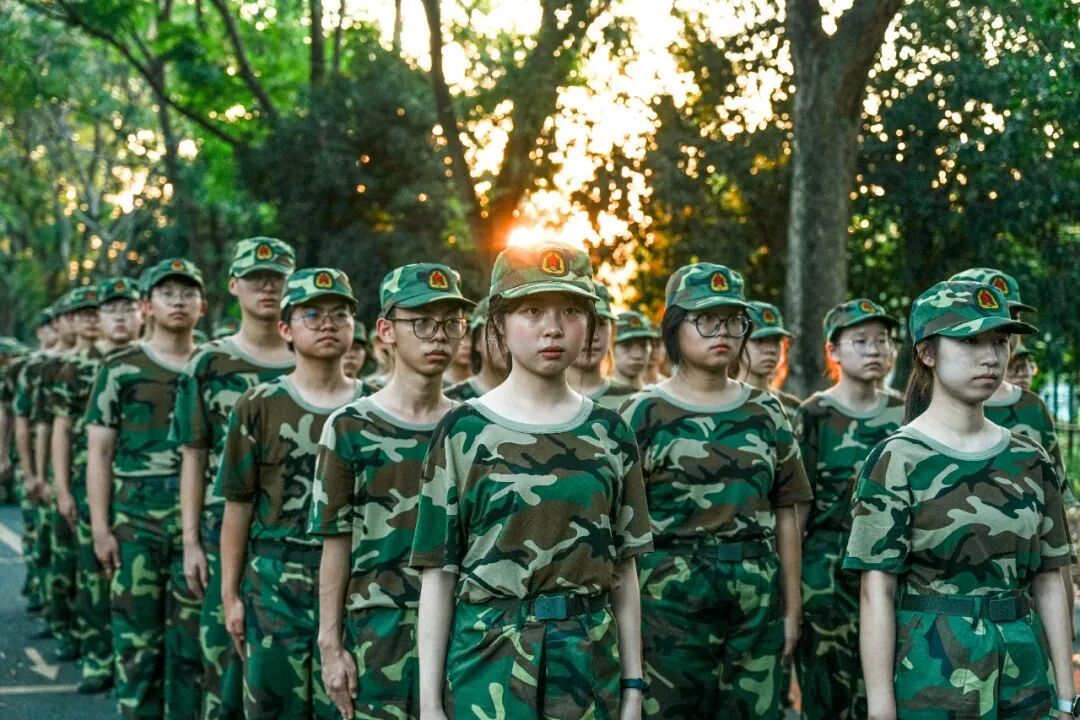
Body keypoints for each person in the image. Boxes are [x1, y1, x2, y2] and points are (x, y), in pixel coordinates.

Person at [411, 243, 653, 719]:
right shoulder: (462, 431)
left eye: (571, 311)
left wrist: (632, 688)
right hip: (488, 665)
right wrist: (430, 705)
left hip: (589, 666)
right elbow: (438, 576)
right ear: (499, 323)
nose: (553, 328)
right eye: (532, 310)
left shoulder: (610, 431)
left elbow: (625, 571)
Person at [845, 280, 1076, 720]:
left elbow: (1050, 580)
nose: (990, 357)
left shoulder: (1030, 458)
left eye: (999, 341)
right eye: (970, 341)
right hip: (932, 676)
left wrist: (1066, 698)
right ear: (927, 353)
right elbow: (877, 592)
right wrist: (881, 708)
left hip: (1025, 676)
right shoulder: (897, 459)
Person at [620, 262, 812, 719]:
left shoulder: (766, 411)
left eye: (733, 320)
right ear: (674, 326)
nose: (721, 331)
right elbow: (620, 528)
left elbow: (786, 512)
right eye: (706, 319)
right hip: (668, 601)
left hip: (755, 602)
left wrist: (792, 608)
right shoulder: (642, 413)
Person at [310, 263, 473, 720]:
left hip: (464, 628)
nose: (438, 336)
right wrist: (330, 645)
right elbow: (335, 542)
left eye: (451, 323)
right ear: (386, 331)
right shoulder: (350, 427)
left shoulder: (473, 426)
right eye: (421, 322)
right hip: (378, 629)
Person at [216, 268, 362, 719]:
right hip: (273, 585)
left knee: (346, 706)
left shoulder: (373, 409)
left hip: (354, 584)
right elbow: (238, 504)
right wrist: (230, 594)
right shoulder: (258, 405)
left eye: (340, 314)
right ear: (285, 329)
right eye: (312, 314)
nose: (327, 324)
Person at [172, 237, 296, 720]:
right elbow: (193, 455)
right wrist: (190, 541)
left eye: (278, 278)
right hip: (221, 531)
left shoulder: (311, 357)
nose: (267, 287)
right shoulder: (209, 363)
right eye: (256, 278)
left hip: (292, 541)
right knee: (223, 661)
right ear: (233, 285)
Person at [86, 258, 207, 719]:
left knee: (193, 644)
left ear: (202, 305)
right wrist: (101, 528)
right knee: (137, 641)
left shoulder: (214, 364)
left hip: (200, 517)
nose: (178, 301)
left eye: (188, 293)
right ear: (147, 306)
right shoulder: (121, 367)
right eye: (167, 293)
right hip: (136, 518)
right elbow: (100, 452)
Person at [791, 298, 904, 720]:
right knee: (825, 693)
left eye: (882, 340)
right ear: (833, 351)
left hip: (892, 568)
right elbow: (797, 510)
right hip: (826, 574)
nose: (875, 350)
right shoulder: (814, 414)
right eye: (861, 341)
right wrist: (792, 593)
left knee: (887, 692)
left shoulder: (905, 414)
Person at [52, 277, 142, 693]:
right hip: (89, 480)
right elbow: (59, 429)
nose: (120, 317)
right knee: (93, 574)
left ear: (142, 312)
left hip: (142, 489)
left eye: (128, 308)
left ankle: (132, 665)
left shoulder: (153, 360)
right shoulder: (77, 366)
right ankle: (98, 657)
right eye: (111, 310)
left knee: (135, 582)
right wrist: (61, 487)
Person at [41, 285, 104, 665]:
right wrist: (58, 485)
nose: (92, 320)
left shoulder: (126, 361)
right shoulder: (66, 368)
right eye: (84, 314)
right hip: (81, 475)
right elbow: (54, 429)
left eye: (96, 312)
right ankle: (70, 631)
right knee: (73, 562)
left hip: (123, 481)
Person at [9, 307, 58, 611]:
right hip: (37, 460)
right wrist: (27, 471)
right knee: (36, 531)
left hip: (64, 465)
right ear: (41, 332)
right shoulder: (30, 367)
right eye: (50, 325)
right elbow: (17, 418)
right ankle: (39, 588)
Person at [566, 284, 637, 410]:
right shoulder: (538, 398)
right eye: (581, 321)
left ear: (613, 330)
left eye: (601, 323)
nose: (592, 335)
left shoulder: (634, 401)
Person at [736, 300, 801, 414]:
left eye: (776, 341)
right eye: (759, 341)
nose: (770, 350)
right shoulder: (719, 401)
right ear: (738, 343)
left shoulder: (793, 407)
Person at [444, 296, 508, 401]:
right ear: (477, 342)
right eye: (495, 332)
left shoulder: (533, 397)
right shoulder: (452, 402)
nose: (506, 342)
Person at [612, 311, 659, 390]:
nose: (637, 355)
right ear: (611, 348)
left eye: (643, 345)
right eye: (626, 345)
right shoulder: (596, 396)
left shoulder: (656, 395)